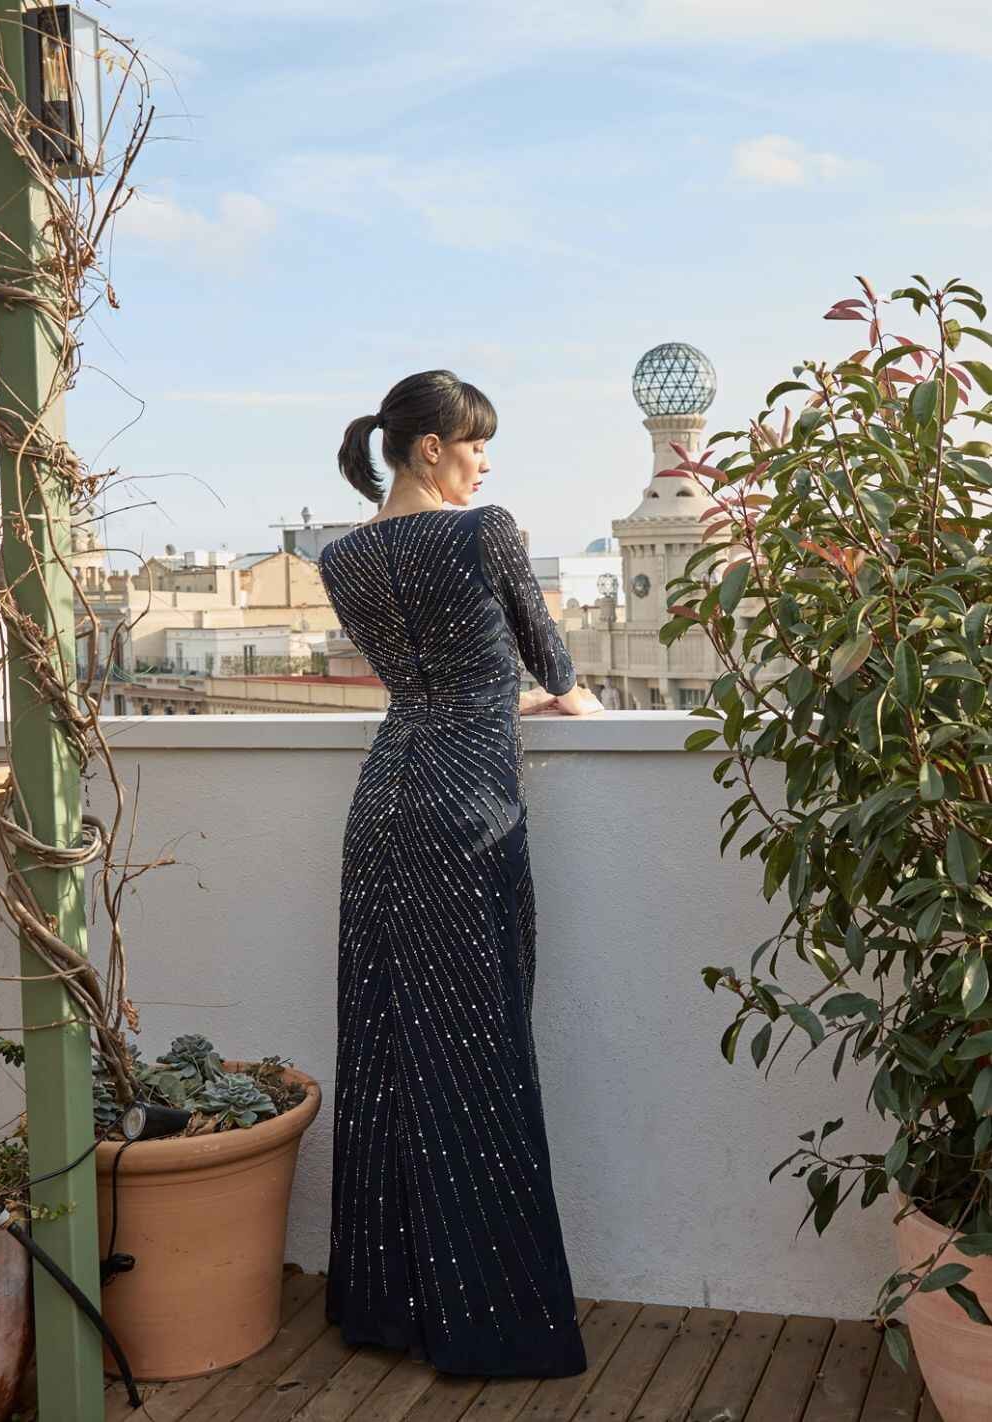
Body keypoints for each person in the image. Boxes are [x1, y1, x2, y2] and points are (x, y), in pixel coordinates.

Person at [317, 370, 602, 1378]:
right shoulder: (484, 531)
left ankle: (387, 1305)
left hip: (383, 803)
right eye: (475, 444)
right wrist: (565, 701)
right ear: (430, 447)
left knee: (388, 1042)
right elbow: (551, 664)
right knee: (478, 1045)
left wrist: (500, 701)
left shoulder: (340, 556)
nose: (484, 463)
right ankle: (491, 1320)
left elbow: (428, 685)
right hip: (465, 807)